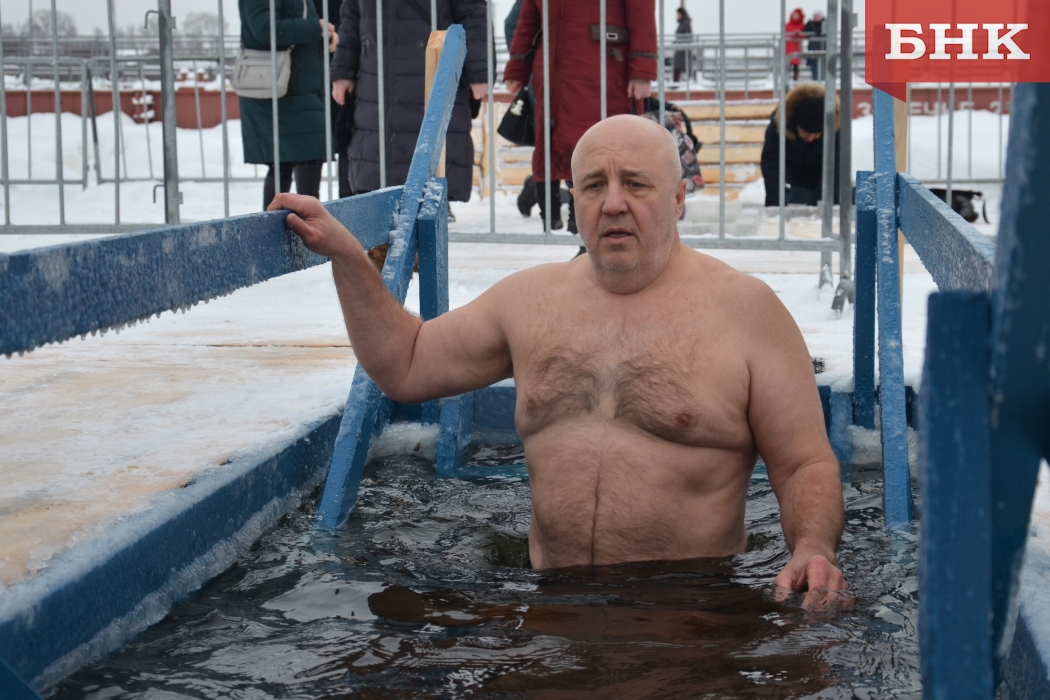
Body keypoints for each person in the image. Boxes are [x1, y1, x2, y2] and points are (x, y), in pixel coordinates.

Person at [269, 114, 848, 606]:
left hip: (690, 609)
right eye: (594, 185)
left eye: (636, 184)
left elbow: (803, 464)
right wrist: (347, 256)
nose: (613, 203)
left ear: (677, 200)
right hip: (548, 605)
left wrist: (813, 548)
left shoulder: (746, 313)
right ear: (575, 200)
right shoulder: (531, 303)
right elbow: (407, 362)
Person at [504, 0, 657, 234]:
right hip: (554, 73)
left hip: (605, 68)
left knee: (602, 151)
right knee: (562, 148)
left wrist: (642, 71)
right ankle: (579, 229)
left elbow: (641, 12)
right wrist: (517, 65)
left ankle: (592, 232)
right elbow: (528, 17)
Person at [329, 0, 488, 205]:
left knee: (427, 174)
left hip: (432, 68)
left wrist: (479, 71)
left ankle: (429, 210)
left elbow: (474, 14)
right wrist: (343, 70)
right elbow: (352, 17)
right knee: (379, 175)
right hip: (376, 75)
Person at [238, 0, 337, 210]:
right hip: (283, 89)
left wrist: (323, 33)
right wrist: (315, 27)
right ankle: (292, 224)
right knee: (293, 159)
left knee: (295, 160)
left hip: (297, 88)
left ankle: (302, 223)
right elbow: (265, 29)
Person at [759, 82, 840, 207]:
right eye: (807, 133)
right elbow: (771, 164)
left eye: (817, 134)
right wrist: (776, 203)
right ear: (795, 124)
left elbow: (836, 167)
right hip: (795, 180)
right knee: (798, 198)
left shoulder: (835, 127)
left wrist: (818, 205)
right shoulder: (779, 125)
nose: (811, 138)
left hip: (825, 181)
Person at [672, 6, 693, 84]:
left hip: (683, 50)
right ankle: (676, 83)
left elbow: (688, 37)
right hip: (680, 49)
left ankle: (676, 84)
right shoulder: (683, 23)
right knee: (679, 67)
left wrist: (679, 42)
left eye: (678, 14)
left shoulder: (685, 23)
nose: (677, 15)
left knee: (679, 67)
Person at [803, 9, 825, 81]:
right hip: (813, 48)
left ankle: (823, 80)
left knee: (823, 65)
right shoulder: (810, 24)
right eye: (815, 16)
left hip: (823, 48)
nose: (815, 17)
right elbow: (805, 32)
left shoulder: (826, 24)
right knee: (814, 66)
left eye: (817, 16)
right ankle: (815, 80)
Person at [785, 8, 806, 82]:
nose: (795, 16)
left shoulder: (802, 25)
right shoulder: (787, 25)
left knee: (795, 64)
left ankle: (795, 79)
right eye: (794, 14)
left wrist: (799, 34)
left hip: (797, 47)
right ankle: (786, 79)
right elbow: (785, 34)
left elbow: (805, 35)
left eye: (797, 15)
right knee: (787, 63)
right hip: (788, 46)